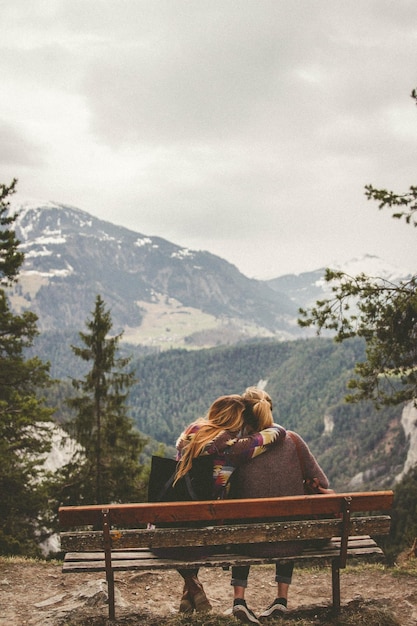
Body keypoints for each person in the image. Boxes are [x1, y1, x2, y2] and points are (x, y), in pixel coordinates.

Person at [174, 393, 287, 615]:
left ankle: (191, 588)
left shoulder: (189, 435)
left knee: (187, 528)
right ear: (237, 421)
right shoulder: (235, 448)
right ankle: (193, 586)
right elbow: (278, 433)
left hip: (167, 530)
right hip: (209, 533)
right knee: (206, 527)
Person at [229, 387, 333, 625]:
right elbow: (323, 483)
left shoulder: (239, 449)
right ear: (269, 412)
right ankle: (281, 599)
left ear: (245, 415)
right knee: (289, 522)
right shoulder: (293, 440)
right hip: (291, 541)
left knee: (242, 520)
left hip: (248, 544)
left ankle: (239, 600)